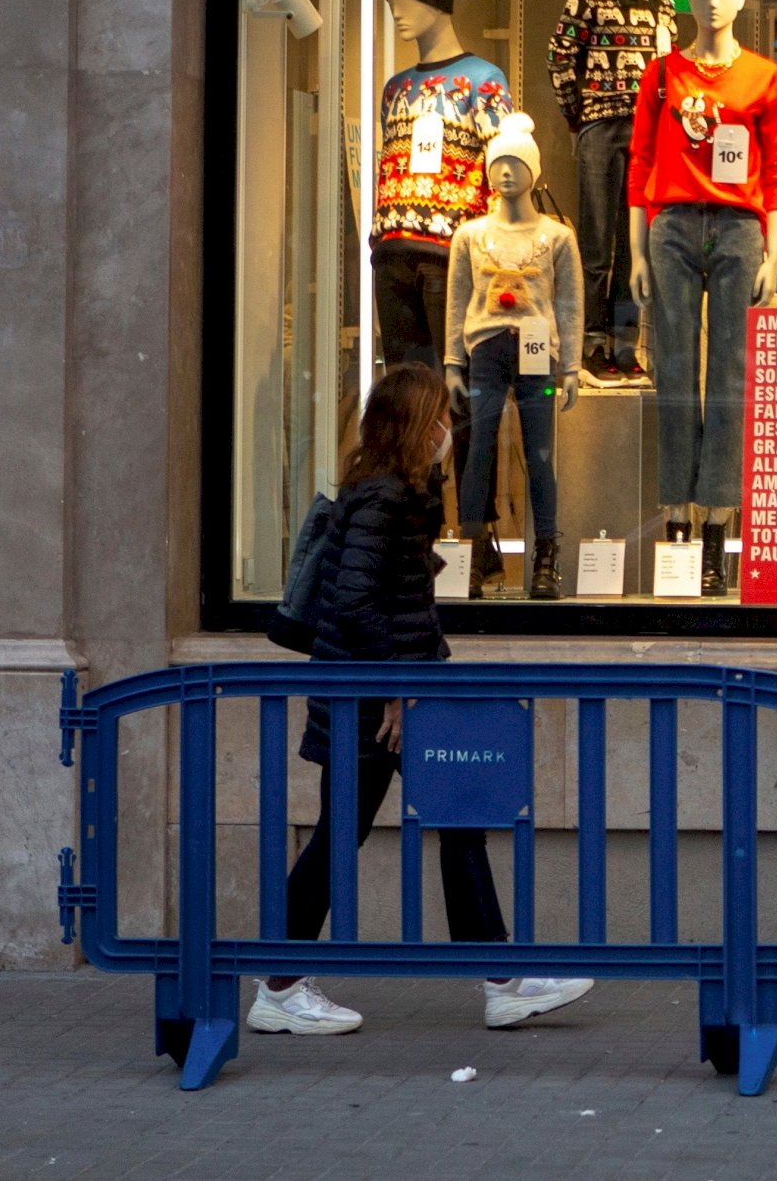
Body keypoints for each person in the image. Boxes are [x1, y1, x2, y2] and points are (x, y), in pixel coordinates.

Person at [249, 364, 594, 1037]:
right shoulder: (386, 498)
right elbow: (354, 601)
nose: (446, 430)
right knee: (353, 833)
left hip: (378, 699)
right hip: (375, 705)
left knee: (445, 820)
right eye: (436, 418)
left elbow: (381, 601)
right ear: (412, 425)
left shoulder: (388, 490)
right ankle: (280, 981)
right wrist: (399, 690)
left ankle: (500, 979)